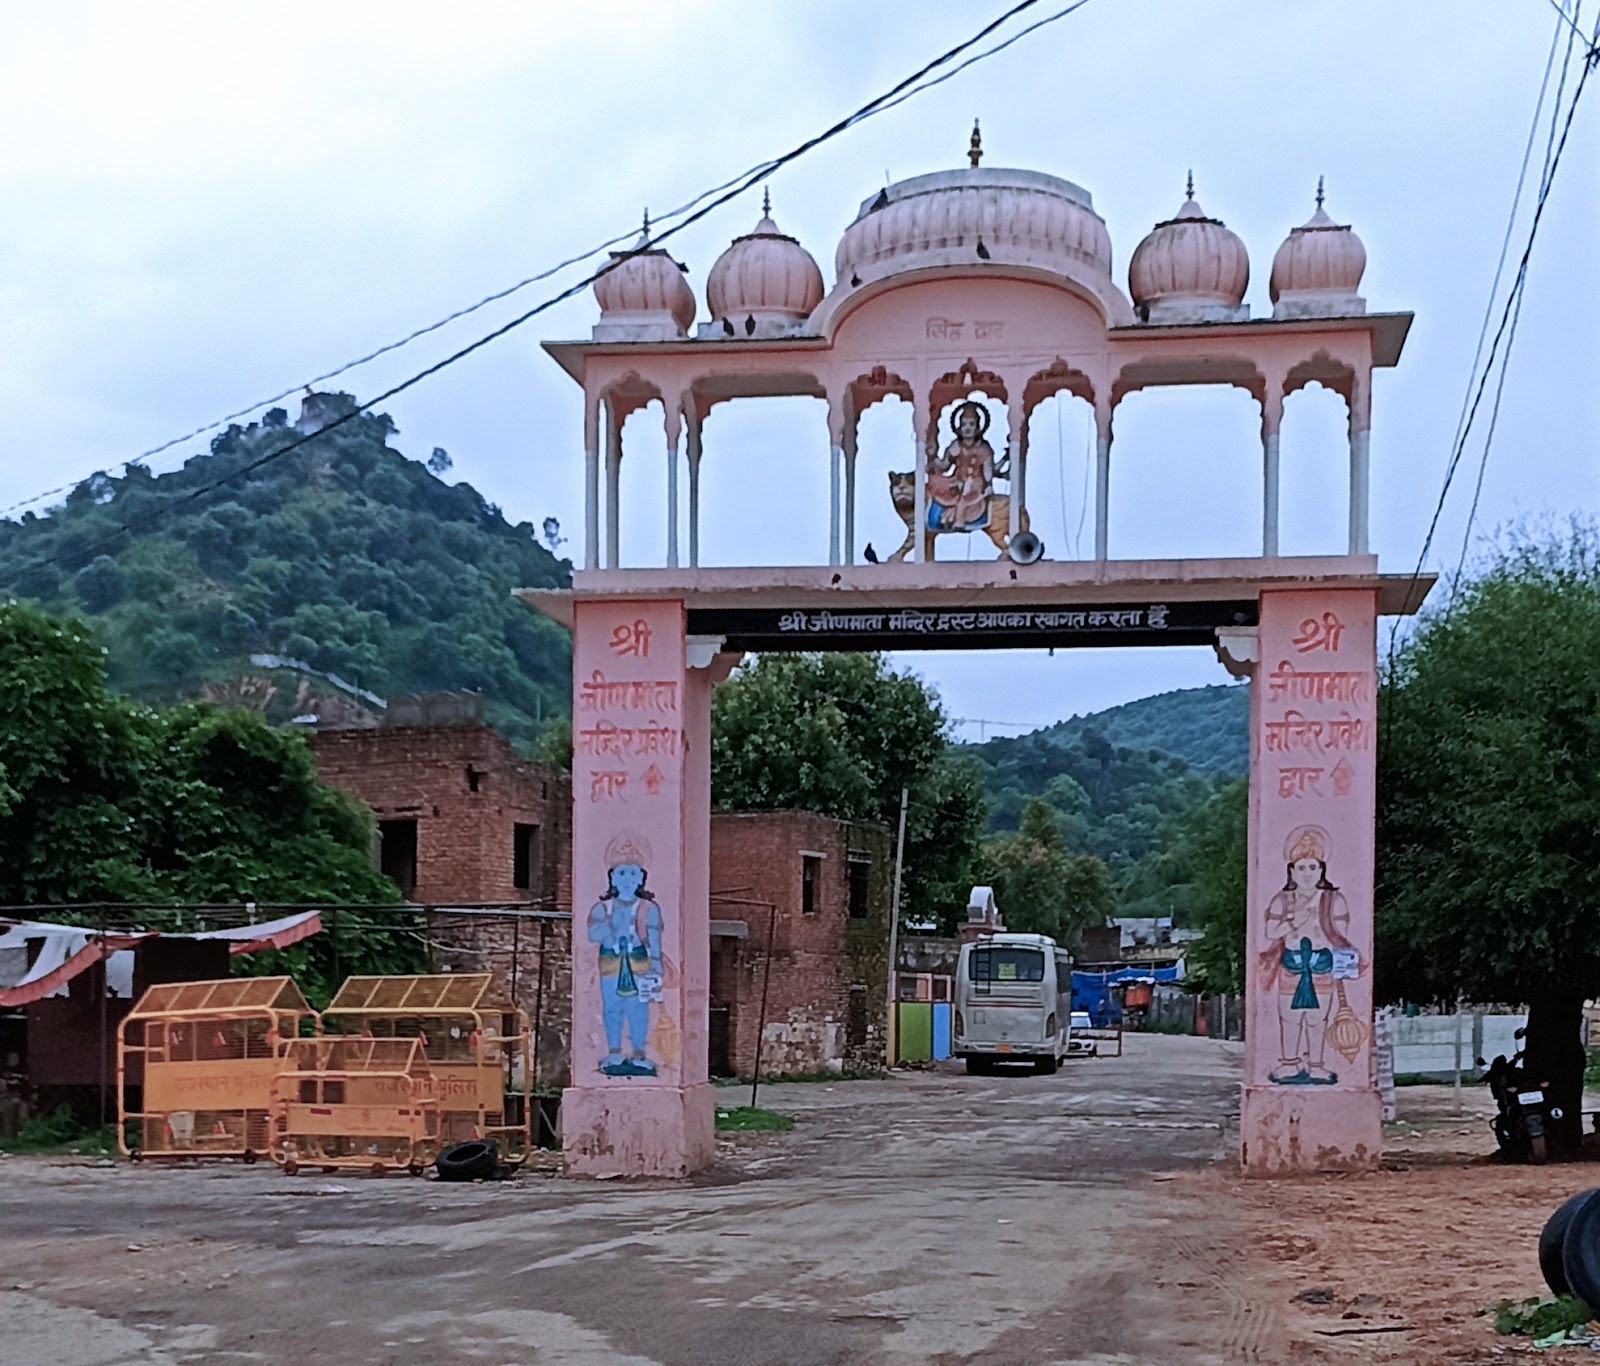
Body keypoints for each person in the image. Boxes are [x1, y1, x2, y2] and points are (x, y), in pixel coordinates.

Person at [1258, 826, 1357, 1084]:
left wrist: (1319, 928)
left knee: (1317, 1018)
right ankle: (1289, 1063)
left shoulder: (1333, 900)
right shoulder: (1283, 899)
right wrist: (1295, 922)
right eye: (1301, 868)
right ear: (1291, 871)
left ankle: (1316, 1065)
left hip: (1319, 965)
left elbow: (1340, 933)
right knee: (1290, 1017)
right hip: (1292, 965)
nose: (1307, 874)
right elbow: (1270, 931)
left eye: (1312, 868)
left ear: (1321, 870)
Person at [588, 834, 664, 1077]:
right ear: (612, 877)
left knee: (638, 1009)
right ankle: (614, 1051)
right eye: (622, 873)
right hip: (611, 963)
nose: (627, 879)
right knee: (612, 1008)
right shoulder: (602, 908)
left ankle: (639, 1053)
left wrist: (656, 966)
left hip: (639, 962)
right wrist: (611, 928)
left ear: (642, 877)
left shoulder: (648, 908)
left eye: (633, 873)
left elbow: (654, 940)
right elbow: (593, 934)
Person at [927, 400, 995, 532]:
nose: (967, 428)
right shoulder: (956, 446)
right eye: (964, 424)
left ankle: (960, 521)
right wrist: (932, 459)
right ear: (959, 427)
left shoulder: (984, 449)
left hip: (975, 484)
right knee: (934, 488)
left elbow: (988, 472)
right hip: (956, 481)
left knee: (964, 497)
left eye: (971, 424)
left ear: (977, 427)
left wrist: (988, 485)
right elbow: (944, 465)